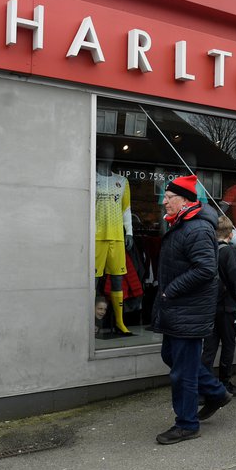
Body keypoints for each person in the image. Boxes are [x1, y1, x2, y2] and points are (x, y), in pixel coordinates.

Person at [153, 175, 231, 445]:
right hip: (177, 309)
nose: (164, 202)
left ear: (184, 200)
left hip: (188, 309)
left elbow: (206, 269)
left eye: (168, 197)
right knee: (172, 357)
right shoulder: (181, 224)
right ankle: (216, 392)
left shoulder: (196, 228)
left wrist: (171, 290)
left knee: (183, 371)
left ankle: (187, 424)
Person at [95, 142, 135, 336]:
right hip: (96, 236)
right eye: (105, 150)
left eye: (111, 150)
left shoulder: (123, 181)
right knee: (93, 281)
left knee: (118, 279)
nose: (108, 154)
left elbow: (126, 209)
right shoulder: (91, 177)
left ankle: (120, 322)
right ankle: (91, 321)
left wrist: (129, 233)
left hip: (117, 237)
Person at [201, 215, 236, 396]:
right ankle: (224, 382)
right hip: (227, 307)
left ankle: (204, 386)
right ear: (230, 233)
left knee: (209, 348)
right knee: (228, 345)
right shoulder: (228, 252)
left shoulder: (208, 249)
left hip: (210, 306)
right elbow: (235, 279)